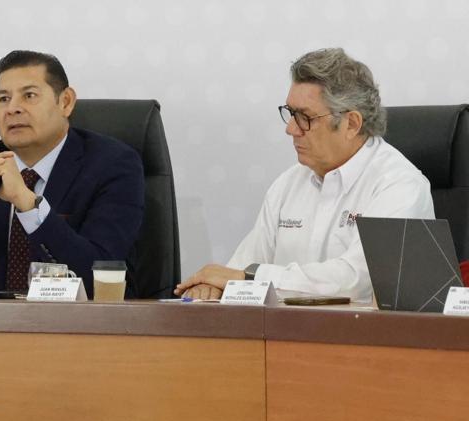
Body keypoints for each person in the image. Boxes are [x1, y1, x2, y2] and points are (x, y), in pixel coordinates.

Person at [176, 48, 434, 302]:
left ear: (352, 124)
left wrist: (250, 278)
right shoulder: (287, 184)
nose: (291, 129)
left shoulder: (400, 186)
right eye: (290, 113)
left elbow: (358, 281)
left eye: (305, 117)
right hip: (282, 329)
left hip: (360, 330)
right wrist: (213, 287)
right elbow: (241, 268)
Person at [0, 50, 144, 296]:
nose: (12, 109)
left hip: (75, 320)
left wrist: (28, 204)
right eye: (3, 99)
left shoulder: (112, 166)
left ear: (66, 102)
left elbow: (101, 277)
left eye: (29, 96)